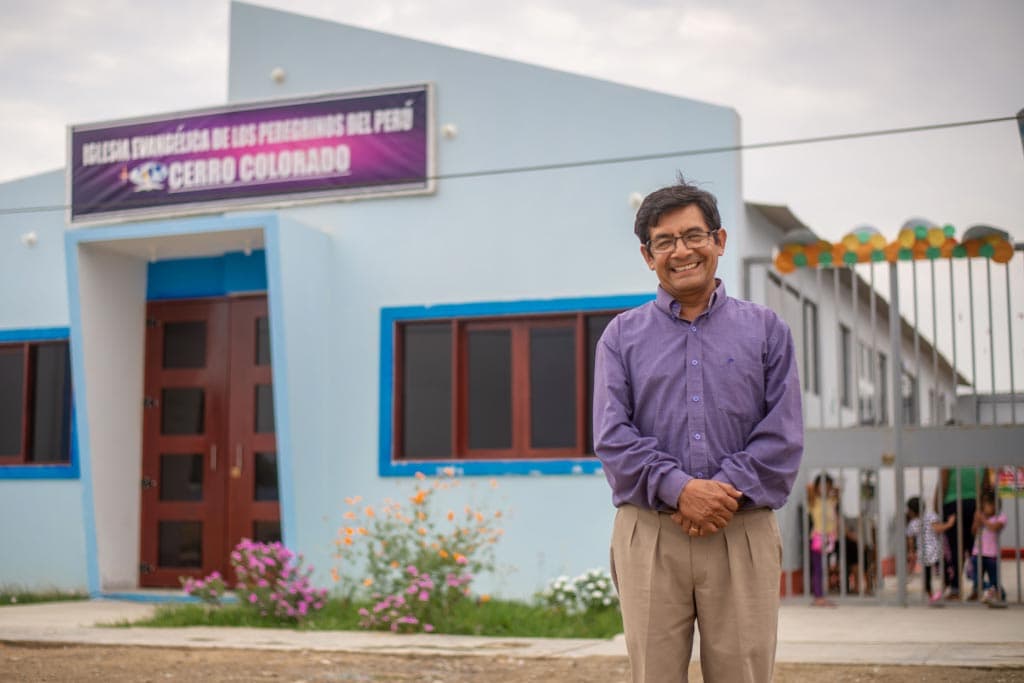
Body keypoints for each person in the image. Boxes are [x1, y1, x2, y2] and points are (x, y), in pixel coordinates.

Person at [593, 178, 804, 682]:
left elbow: (782, 435)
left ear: (720, 241)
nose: (681, 251)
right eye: (664, 241)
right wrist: (680, 489)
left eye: (693, 235)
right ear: (648, 255)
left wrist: (717, 493)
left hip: (743, 528)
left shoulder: (768, 331)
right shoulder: (620, 336)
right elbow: (611, 434)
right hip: (650, 532)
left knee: (744, 674)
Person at [936, 466, 992, 600]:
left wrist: (937, 509)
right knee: (977, 549)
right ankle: (977, 588)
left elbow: (942, 484)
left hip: (952, 504)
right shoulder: (982, 459)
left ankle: (955, 589)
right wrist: (982, 509)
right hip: (975, 504)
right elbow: (986, 486)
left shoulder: (950, 457)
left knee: (955, 549)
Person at [905, 496, 955, 605]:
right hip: (935, 550)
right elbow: (937, 529)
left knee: (927, 575)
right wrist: (949, 524)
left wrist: (911, 551)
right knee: (946, 572)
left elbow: (910, 539)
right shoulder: (930, 516)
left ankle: (931, 596)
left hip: (924, 552)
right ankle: (941, 591)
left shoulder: (913, 523)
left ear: (911, 511)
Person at [806, 473, 838, 607]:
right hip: (817, 537)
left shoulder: (831, 501)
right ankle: (818, 597)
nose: (825, 489)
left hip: (829, 537)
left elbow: (838, 492)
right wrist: (815, 486)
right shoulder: (814, 501)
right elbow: (808, 488)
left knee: (825, 568)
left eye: (828, 486)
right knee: (818, 568)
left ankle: (822, 595)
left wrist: (833, 490)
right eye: (822, 486)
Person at [971, 490, 1007, 604]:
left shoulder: (1001, 517)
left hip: (991, 554)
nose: (983, 507)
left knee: (994, 579)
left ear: (994, 505)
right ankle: (989, 589)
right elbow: (974, 531)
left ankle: (1000, 594)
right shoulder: (981, 516)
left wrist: (983, 520)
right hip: (977, 553)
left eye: (986, 504)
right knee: (974, 577)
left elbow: (994, 528)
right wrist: (977, 521)